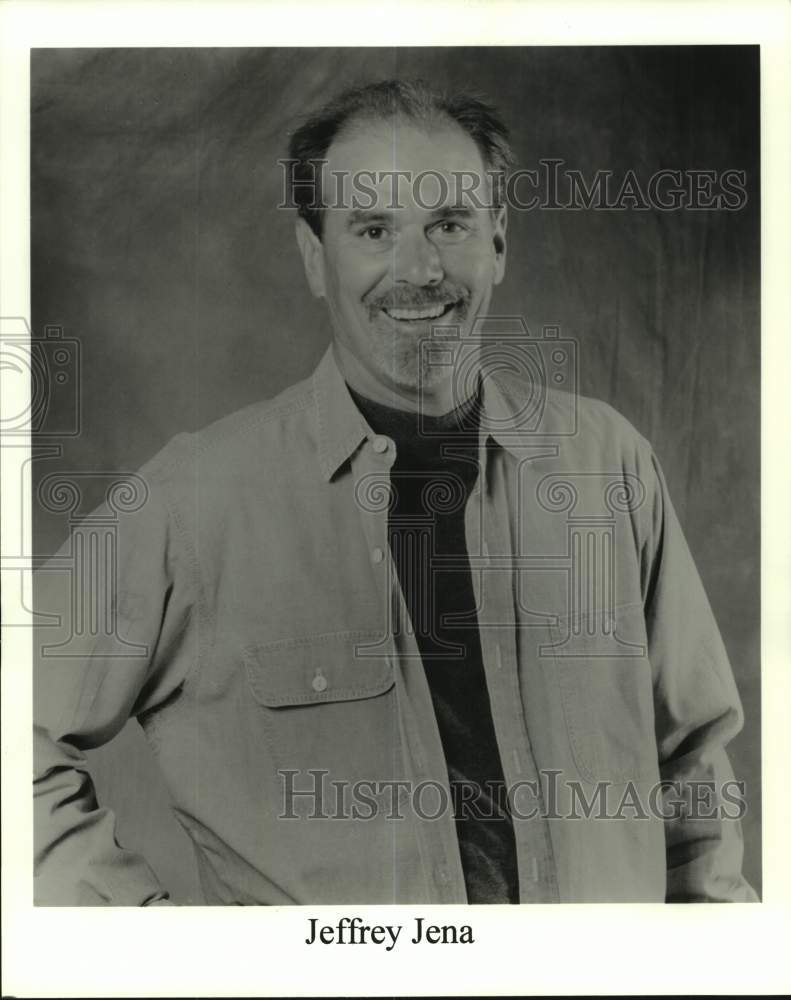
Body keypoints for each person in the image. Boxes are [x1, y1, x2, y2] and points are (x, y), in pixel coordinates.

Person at [33, 79, 757, 905]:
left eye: (447, 224)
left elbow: (693, 770)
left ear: (497, 241)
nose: (418, 270)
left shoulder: (609, 466)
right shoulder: (196, 500)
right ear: (316, 257)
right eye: (372, 229)